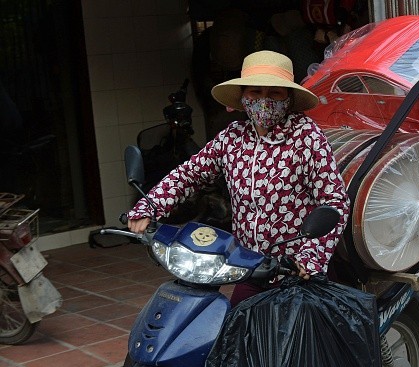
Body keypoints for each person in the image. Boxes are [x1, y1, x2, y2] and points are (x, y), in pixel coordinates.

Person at [127, 50, 350, 306]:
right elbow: (189, 174)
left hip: (296, 271)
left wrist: (311, 256)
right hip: (249, 267)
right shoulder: (233, 137)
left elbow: (334, 201)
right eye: (255, 92)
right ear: (243, 97)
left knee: (297, 343)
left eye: (274, 93)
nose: (264, 101)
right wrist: (149, 206)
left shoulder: (306, 137)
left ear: (288, 98)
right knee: (236, 331)